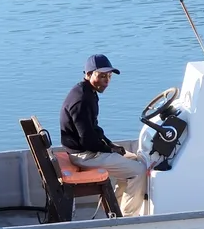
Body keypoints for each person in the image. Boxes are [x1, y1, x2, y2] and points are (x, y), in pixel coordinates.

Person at [59, 54, 150, 217]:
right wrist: (109, 150)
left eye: (109, 76)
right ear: (88, 74)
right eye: (101, 76)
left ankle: (116, 211)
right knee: (139, 171)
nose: (106, 81)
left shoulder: (87, 91)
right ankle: (128, 218)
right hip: (84, 155)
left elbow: (94, 129)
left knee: (132, 159)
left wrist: (111, 145)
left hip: (87, 151)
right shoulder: (82, 100)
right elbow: (88, 140)